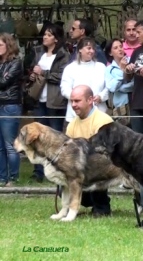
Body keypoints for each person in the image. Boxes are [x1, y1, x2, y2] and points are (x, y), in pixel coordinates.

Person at [28, 23, 70, 182]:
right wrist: (33, 75)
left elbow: (61, 76)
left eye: (49, 35)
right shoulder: (39, 53)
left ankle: (56, 170)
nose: (45, 37)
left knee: (55, 137)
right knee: (37, 137)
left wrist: (44, 73)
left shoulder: (62, 55)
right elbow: (33, 70)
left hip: (55, 101)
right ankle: (38, 172)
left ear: (56, 39)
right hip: (39, 99)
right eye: (44, 34)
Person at [66, 85, 114, 216]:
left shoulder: (103, 120)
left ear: (90, 100)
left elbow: (107, 153)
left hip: (104, 168)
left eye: (77, 101)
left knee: (96, 167)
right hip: (82, 169)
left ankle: (102, 207)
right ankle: (76, 204)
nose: (73, 105)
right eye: (72, 101)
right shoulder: (71, 125)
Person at [60, 37, 108, 124]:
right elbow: (65, 88)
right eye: (89, 48)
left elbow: (108, 87)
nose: (92, 51)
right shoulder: (70, 68)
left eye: (93, 48)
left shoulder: (101, 67)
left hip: (99, 116)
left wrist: (101, 97)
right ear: (80, 50)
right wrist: (79, 100)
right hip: (75, 116)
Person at [0, 33, 23, 187]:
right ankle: (2, 176)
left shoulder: (16, 62)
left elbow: (3, 82)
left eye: (0, 44)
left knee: (10, 144)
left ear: (8, 45)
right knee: (0, 146)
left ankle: (13, 177)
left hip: (10, 105)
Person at [104, 38, 134, 126]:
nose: (120, 49)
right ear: (110, 53)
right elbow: (112, 87)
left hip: (135, 103)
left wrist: (121, 88)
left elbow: (135, 84)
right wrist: (121, 70)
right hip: (121, 107)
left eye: (121, 46)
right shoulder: (109, 69)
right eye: (116, 48)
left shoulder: (132, 62)